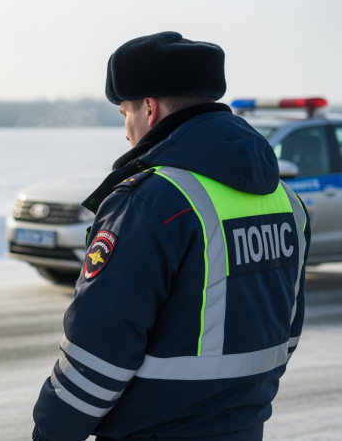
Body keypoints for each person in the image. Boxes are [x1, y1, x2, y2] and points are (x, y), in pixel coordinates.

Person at [32, 32, 310, 441]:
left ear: (148, 108)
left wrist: (51, 433)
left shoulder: (151, 202)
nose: (127, 132)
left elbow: (99, 349)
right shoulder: (286, 201)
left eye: (125, 113)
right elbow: (287, 332)